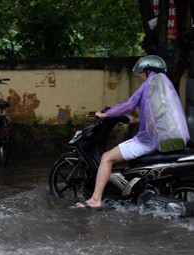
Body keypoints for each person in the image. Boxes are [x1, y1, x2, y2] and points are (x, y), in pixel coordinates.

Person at [76, 55, 190, 209]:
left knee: (107, 157)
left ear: (149, 71)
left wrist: (105, 114)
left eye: (141, 72)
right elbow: (158, 116)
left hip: (148, 141)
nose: (138, 75)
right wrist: (136, 120)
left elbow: (128, 106)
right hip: (164, 139)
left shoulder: (149, 85)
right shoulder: (163, 87)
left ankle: (95, 199)